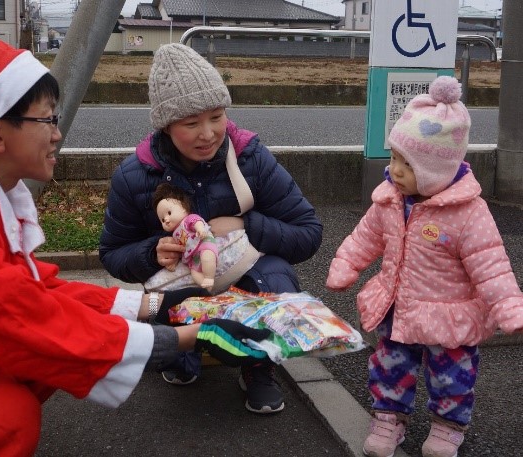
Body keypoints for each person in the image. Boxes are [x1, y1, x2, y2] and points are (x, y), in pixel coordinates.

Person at [0, 35, 274, 456]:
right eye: (48, 120)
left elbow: (31, 295)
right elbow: (23, 320)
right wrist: (191, 336)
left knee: (41, 364)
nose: (58, 134)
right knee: (2, 417)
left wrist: (164, 306)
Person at [99, 43, 323, 414]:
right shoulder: (134, 175)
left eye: (216, 117)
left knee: (275, 276)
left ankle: (257, 365)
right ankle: (180, 353)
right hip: (183, 287)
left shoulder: (250, 157)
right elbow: (112, 253)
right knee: (164, 302)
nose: (208, 134)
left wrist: (245, 224)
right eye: (191, 123)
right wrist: (150, 252)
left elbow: (308, 232)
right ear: (166, 125)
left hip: (242, 275)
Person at [326, 76, 523, 457]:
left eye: (408, 164)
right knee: (389, 366)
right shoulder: (388, 199)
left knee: (452, 376)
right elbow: (365, 237)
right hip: (398, 308)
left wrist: (509, 307)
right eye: (395, 158)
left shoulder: (468, 213)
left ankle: (448, 426)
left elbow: (492, 266)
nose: (395, 171)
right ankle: (388, 418)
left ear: (438, 170)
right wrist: (346, 265)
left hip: (449, 317)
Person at [154, 183, 218, 290]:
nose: (167, 220)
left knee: (207, 257)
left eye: (169, 213)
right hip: (192, 257)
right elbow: (178, 249)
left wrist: (200, 229)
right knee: (194, 272)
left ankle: (209, 277)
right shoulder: (174, 234)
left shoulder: (187, 220)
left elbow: (196, 221)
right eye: (162, 220)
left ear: (184, 208)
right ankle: (205, 287)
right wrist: (173, 261)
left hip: (203, 243)